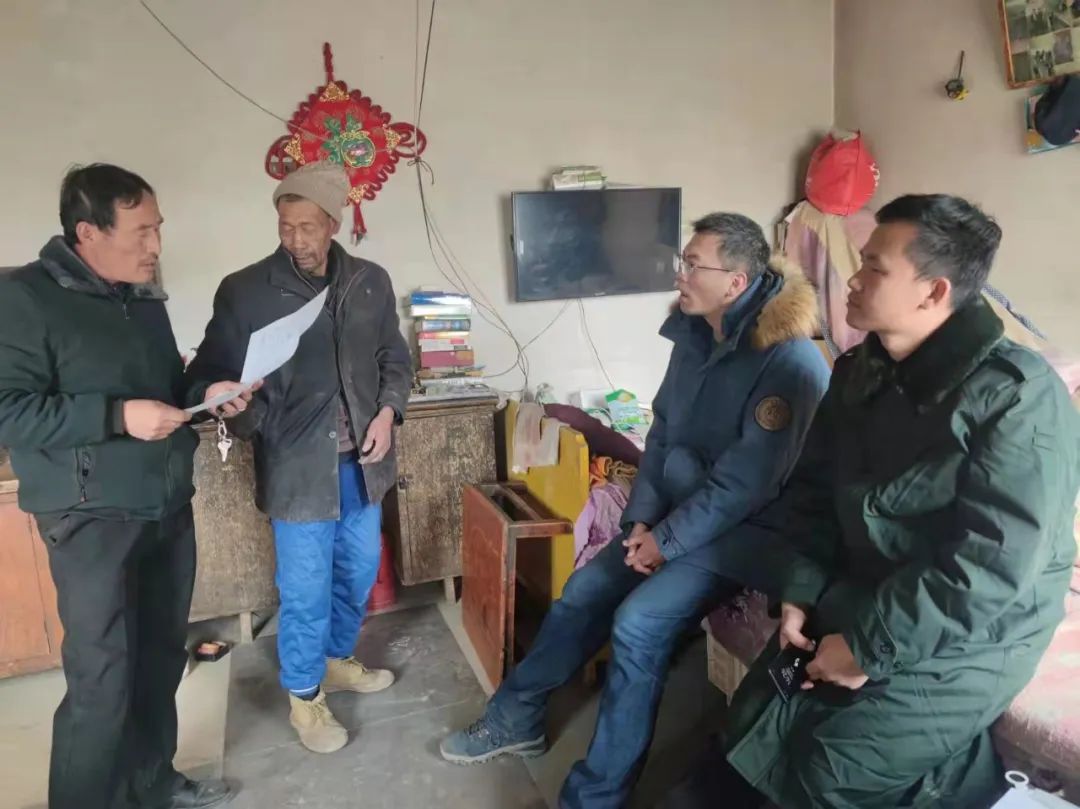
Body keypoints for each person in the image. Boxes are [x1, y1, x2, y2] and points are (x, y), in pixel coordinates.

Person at [669, 194, 1079, 808]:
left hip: (977, 631)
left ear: (934, 292)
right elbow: (814, 495)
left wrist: (867, 648)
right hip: (876, 583)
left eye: (874, 268)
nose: (853, 280)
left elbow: (989, 570)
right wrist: (800, 595)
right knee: (752, 728)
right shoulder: (859, 370)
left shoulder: (1018, 399)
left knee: (831, 771)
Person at [440, 213, 831, 808]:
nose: (679, 275)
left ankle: (595, 797)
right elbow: (663, 433)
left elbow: (744, 486)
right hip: (680, 515)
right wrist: (640, 521)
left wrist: (665, 542)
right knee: (582, 591)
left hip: (750, 530)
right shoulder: (697, 333)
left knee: (639, 622)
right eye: (683, 261)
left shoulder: (790, 363)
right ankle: (515, 718)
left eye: (692, 265)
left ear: (735, 282)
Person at [0, 164, 246, 809]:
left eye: (157, 229)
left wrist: (207, 393)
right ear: (88, 232)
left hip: (164, 503)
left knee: (160, 661)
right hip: (89, 519)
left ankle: (153, 782)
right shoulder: (22, 298)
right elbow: (9, 410)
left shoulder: (142, 299)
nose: (155, 246)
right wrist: (116, 417)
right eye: (141, 232)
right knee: (102, 682)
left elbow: (166, 388)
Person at [185, 161, 412, 754]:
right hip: (296, 467)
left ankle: (335, 659)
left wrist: (388, 412)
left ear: (334, 224)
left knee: (358, 572)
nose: (296, 239)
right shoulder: (246, 290)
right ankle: (305, 696)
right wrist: (220, 395)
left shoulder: (369, 282)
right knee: (306, 589)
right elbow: (207, 373)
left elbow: (394, 357)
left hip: (363, 464)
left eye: (308, 227)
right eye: (286, 227)